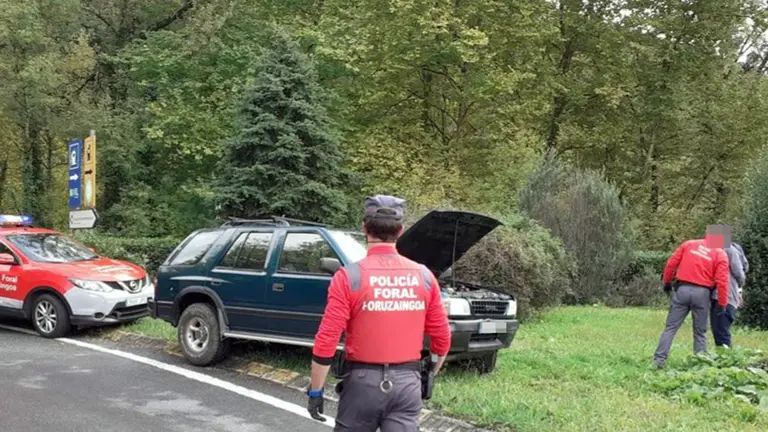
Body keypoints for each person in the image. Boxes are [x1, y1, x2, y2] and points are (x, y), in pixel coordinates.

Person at [306, 195, 452, 431]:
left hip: (362, 384)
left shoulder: (349, 277)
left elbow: (327, 340)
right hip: (408, 384)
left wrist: (316, 390)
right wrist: (427, 375)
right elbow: (442, 339)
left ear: (364, 228)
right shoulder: (424, 276)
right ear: (401, 231)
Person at [652, 224, 730, 369]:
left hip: (682, 290)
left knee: (670, 328)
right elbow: (723, 281)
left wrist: (667, 282)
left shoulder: (689, 244)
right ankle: (699, 365)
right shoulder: (720, 254)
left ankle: (658, 361)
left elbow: (671, 264)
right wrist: (722, 303)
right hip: (703, 294)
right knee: (700, 332)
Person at [709, 242, 746, 348]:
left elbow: (739, 275)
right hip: (724, 296)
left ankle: (726, 360)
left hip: (725, 297)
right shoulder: (729, 250)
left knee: (721, 330)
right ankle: (724, 358)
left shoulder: (729, 249)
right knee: (719, 330)